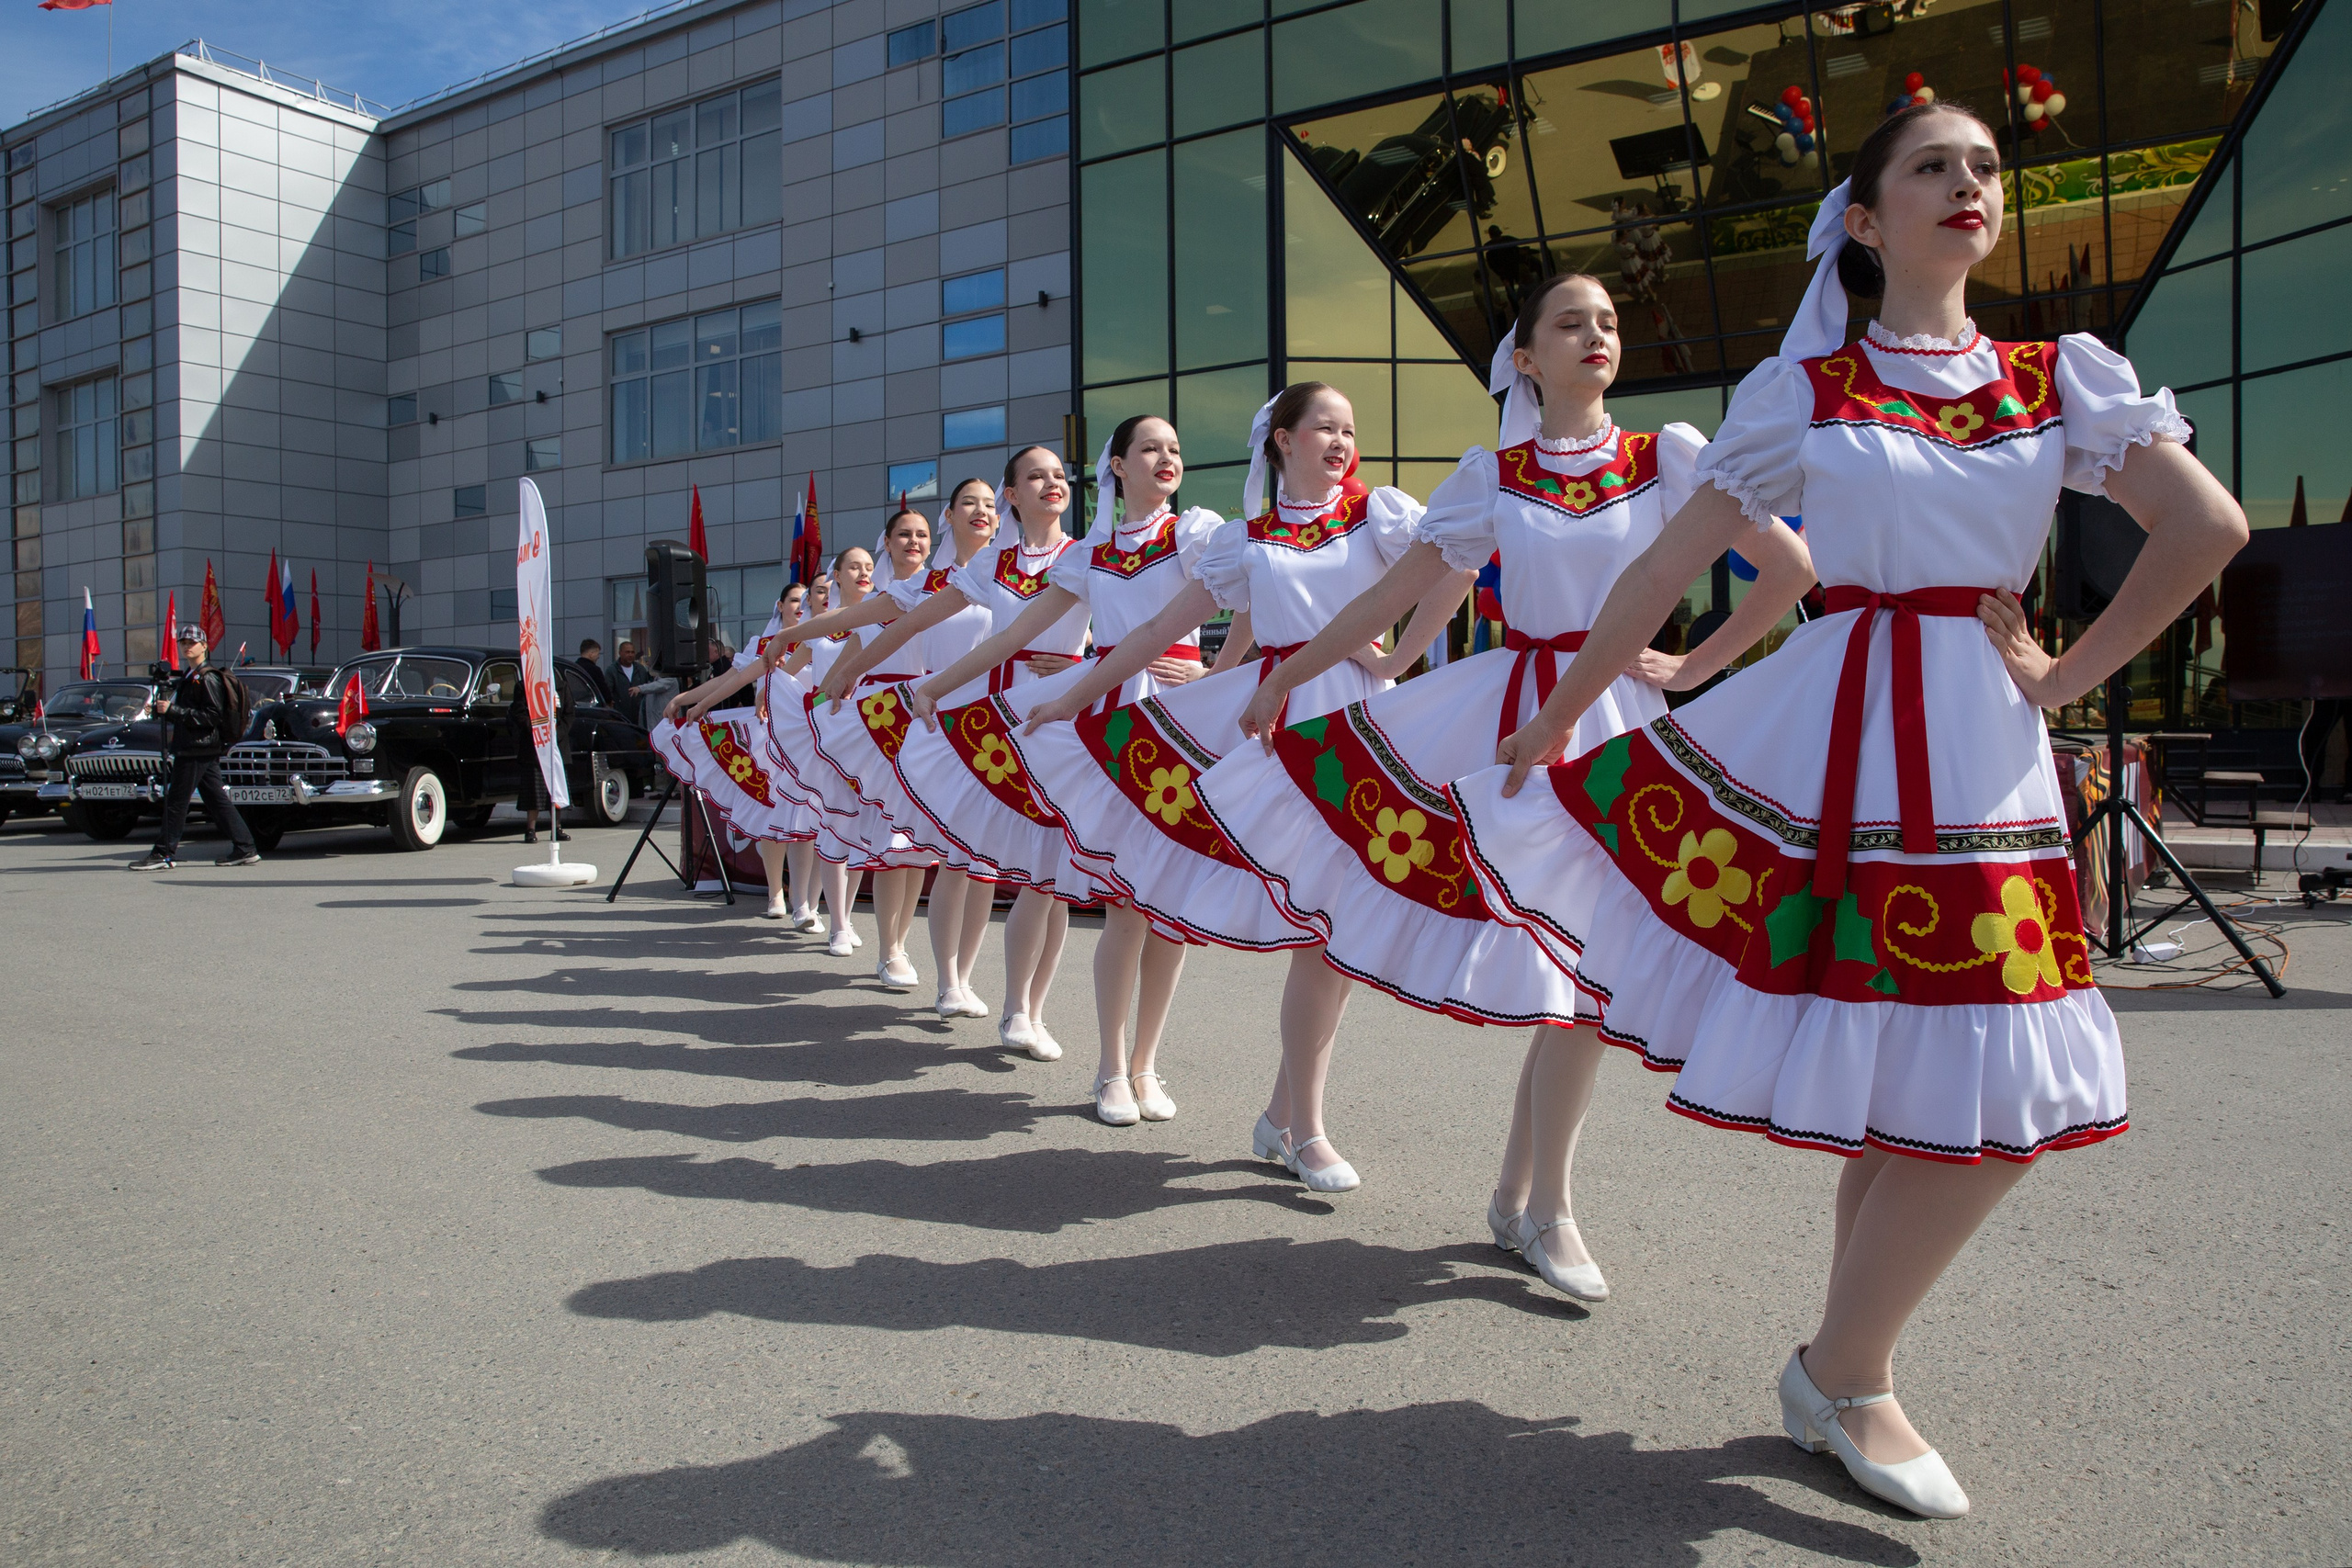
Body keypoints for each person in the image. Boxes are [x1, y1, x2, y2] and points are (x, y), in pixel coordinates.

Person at [1448, 103, 2245, 1517]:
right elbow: (1660, 574)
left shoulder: (2050, 376)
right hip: (1840, 740)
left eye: (1986, 168)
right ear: (1865, 220)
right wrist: (1563, 711)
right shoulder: (1806, 388)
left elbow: (2208, 529)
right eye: (1932, 166)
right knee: (1911, 1074)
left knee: (1989, 1073)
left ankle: (1841, 1362)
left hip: (1978, 745)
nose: (1969, 185)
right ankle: (1850, 1373)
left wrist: (2062, 675)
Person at [1211, 287, 1802, 1233]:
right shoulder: (1495, 474)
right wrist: (1289, 678)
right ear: (1524, 359)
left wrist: (1691, 665)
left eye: (1607, 322)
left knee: (1589, 975)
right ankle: (1524, 1202)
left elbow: (1788, 571)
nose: (1596, 336)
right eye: (1569, 323)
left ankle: (1532, 1202)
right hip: (1514, 719)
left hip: (1615, 721)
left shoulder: (1666, 458)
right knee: (1556, 969)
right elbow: (1394, 594)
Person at [1014, 396, 1437, 1148]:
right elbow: (1151, 631)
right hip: (1262, 727)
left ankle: (1278, 1111)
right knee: (1147, 895)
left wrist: (1397, 660)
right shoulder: (1246, 540)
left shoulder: (1381, 515)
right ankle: (1134, 1071)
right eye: (1325, 427)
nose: (1342, 440)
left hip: (1358, 723)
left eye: (1350, 427)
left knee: (1335, 923)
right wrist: (1069, 697)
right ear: (1283, 440)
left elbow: (1454, 562)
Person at [902, 430, 1221, 1124]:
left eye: (1175, 446)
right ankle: (1110, 1067)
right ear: (1117, 466)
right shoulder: (1091, 554)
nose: (1168, 457)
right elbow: (1010, 637)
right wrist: (935, 686)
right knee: (1124, 906)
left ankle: (1146, 1064)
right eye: (1149, 449)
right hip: (1106, 723)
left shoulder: (1200, 534)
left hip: (1182, 722)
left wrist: (1215, 673)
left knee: (1171, 912)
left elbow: (1255, 591)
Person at [736, 479, 1007, 1016]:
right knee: (899, 841)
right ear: (951, 515)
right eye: (969, 504)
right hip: (922, 717)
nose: (982, 513)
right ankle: (896, 951)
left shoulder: (1014, 572)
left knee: (965, 856)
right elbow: (853, 626)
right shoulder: (931, 584)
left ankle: (958, 977)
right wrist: (792, 640)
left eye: (990, 504)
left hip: (990, 721)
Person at [876, 448, 1091, 1062]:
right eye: (1035, 476)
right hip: (992, 731)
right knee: (964, 858)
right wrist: (849, 667)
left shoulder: (1087, 555)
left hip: (1063, 722)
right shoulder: (995, 562)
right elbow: (916, 616)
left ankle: (1028, 1009)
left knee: (1051, 874)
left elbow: (1141, 623)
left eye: (1060, 475)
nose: (1052, 483)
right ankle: (958, 983)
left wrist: (1092, 660)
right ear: (1012, 496)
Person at [128, 626, 260, 871]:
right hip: (199, 748)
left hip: (197, 748)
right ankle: (246, 848)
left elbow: (212, 716)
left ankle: (163, 853)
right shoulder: (191, 676)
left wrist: (173, 710)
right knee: (217, 800)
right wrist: (162, 709)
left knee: (176, 801)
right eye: (184, 642)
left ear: (204, 646)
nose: (187, 646)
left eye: (193, 642)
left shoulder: (207, 677)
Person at [509, 673, 573, 845]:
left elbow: (569, 713)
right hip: (534, 746)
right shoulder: (524, 686)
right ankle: (530, 830)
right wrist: (538, 732)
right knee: (534, 792)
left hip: (557, 746)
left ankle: (557, 828)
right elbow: (519, 713)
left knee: (556, 788)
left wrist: (557, 734)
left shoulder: (561, 685)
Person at [611, 641, 657, 726]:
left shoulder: (640, 669)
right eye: (627, 652)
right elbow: (608, 692)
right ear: (620, 653)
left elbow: (647, 687)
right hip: (621, 716)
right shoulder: (612, 670)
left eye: (632, 652)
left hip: (639, 715)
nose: (630, 655)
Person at [576, 639, 612, 703]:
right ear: (591, 654)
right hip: (593, 706)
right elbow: (604, 691)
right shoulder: (595, 670)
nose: (598, 657)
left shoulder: (574, 668)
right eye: (598, 654)